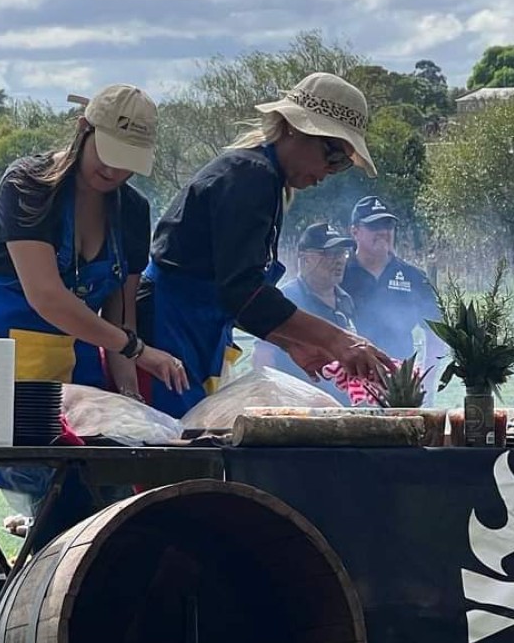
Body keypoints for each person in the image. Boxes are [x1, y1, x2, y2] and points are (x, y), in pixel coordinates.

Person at [0, 85, 187, 639]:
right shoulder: (27, 186)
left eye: (130, 164)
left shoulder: (133, 212)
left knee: (71, 513)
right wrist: (137, 350)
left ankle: (27, 642)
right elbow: (47, 297)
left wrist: (127, 406)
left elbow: (118, 315)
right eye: (108, 155)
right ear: (84, 131)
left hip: (61, 375)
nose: (116, 172)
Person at [140, 73, 392, 416]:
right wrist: (336, 339)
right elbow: (242, 291)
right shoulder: (250, 177)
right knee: (173, 445)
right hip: (168, 330)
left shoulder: (264, 180)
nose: (329, 171)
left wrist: (290, 342)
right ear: (292, 128)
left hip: (194, 331)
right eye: (331, 155)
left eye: (343, 163)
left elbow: (237, 294)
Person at [342, 195, 445, 391]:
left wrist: (426, 380)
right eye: (374, 226)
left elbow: (435, 332)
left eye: (388, 225)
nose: (383, 232)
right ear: (355, 230)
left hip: (400, 383)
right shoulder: (340, 274)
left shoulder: (414, 277)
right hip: (349, 381)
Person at [252, 222, 358, 397]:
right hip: (298, 406)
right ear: (305, 258)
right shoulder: (285, 298)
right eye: (329, 254)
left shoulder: (346, 300)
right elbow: (263, 357)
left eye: (342, 253)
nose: (339, 260)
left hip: (341, 406)